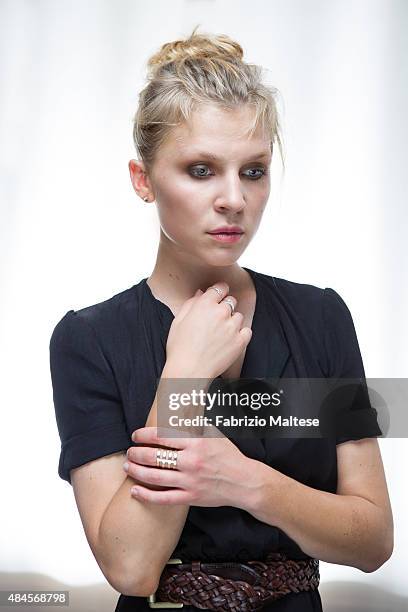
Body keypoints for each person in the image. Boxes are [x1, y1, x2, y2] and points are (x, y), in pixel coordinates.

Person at [49, 26, 393, 612]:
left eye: (253, 170)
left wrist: (249, 484)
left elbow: (374, 540)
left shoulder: (322, 317)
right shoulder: (89, 340)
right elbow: (131, 566)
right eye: (202, 169)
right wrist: (182, 377)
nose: (234, 198)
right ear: (143, 180)